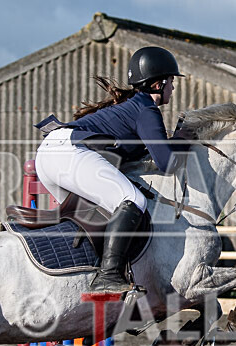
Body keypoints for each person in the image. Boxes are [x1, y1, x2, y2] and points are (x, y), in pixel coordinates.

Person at [34, 46, 191, 294]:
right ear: (159, 84)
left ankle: (77, 284)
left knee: (93, 219)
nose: (173, 87)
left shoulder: (134, 106)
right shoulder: (146, 110)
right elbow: (167, 163)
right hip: (68, 153)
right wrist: (182, 139)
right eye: (172, 81)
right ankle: (108, 276)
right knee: (133, 199)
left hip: (49, 155)